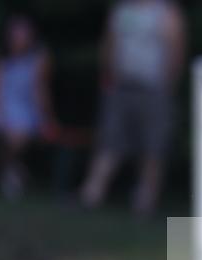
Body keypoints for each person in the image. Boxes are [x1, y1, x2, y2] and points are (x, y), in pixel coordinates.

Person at [79, 0, 186, 217]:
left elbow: (176, 50)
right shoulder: (121, 11)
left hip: (155, 89)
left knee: (153, 149)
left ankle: (144, 204)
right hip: (121, 87)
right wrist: (107, 76)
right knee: (110, 143)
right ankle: (90, 196)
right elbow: (109, 43)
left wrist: (168, 85)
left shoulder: (167, 13)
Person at [0, 15, 56, 199]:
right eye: (15, 35)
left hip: (26, 109)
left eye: (23, 35)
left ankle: (7, 170)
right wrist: (0, 116)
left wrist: (47, 119)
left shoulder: (40, 58)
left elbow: (41, 91)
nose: (19, 39)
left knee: (16, 137)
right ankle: (9, 170)